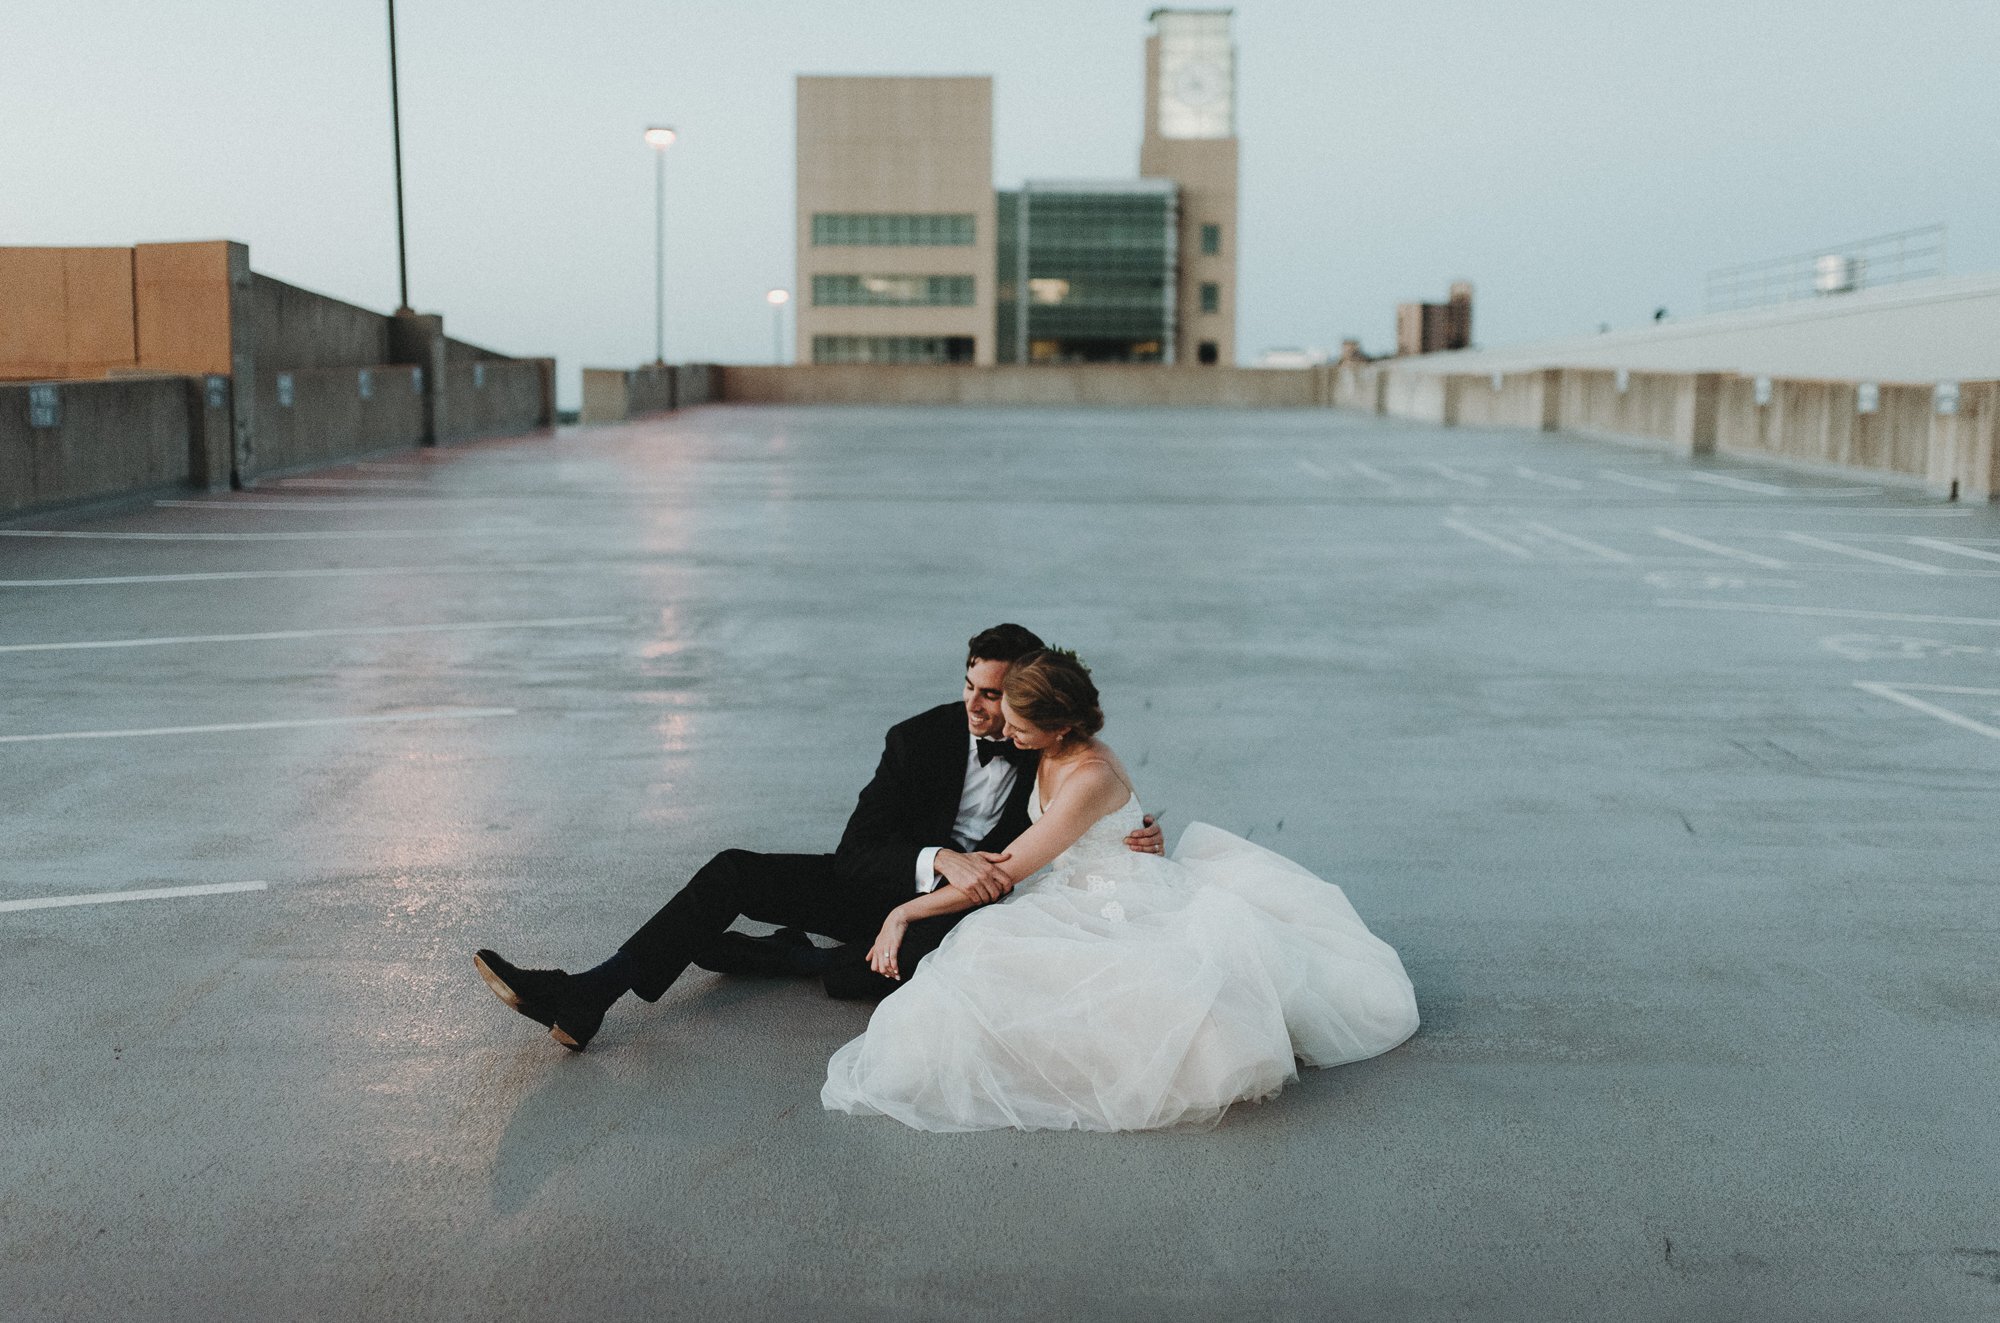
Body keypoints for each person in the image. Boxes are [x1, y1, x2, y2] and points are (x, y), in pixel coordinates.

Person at [472, 625, 1164, 1050]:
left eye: (996, 695)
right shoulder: (917, 739)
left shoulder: (1042, 741)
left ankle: (782, 956)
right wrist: (938, 858)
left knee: (898, 972)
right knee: (734, 870)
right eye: (970, 688)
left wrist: (1138, 834)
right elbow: (857, 851)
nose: (979, 709)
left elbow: (1091, 798)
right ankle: (589, 992)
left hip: (960, 915)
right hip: (891, 881)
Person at [821, 648, 1421, 1132]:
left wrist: (904, 912)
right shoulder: (1045, 744)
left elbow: (1005, 871)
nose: (1007, 732)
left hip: (1119, 898)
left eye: (1021, 728)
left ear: (1059, 729)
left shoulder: (1089, 776)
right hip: (1069, 884)